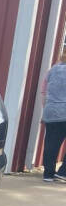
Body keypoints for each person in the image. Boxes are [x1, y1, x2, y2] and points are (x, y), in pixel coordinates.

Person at [40, 51, 66, 182]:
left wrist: (46, 110)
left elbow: (44, 92)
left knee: (51, 144)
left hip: (51, 111)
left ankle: (48, 174)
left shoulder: (52, 70)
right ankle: (63, 172)